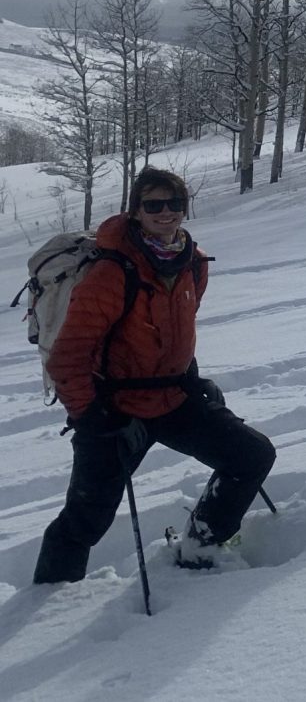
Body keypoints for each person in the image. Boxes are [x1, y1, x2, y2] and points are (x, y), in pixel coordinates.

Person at [34, 167, 276, 582]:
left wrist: (192, 377)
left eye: (174, 204)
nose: (165, 213)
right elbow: (67, 357)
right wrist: (89, 414)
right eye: (153, 204)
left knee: (251, 456)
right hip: (115, 410)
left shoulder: (193, 263)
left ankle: (200, 547)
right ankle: (48, 597)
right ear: (136, 212)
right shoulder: (112, 273)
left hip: (173, 399)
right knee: (86, 518)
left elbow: (176, 331)